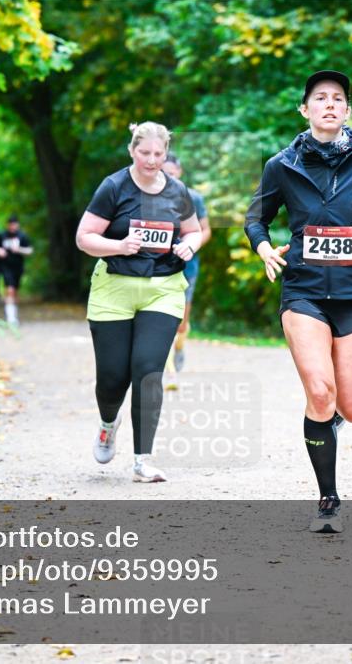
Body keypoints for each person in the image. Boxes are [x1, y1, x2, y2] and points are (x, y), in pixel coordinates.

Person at [245, 71, 352, 533]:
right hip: (303, 292)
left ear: (347, 111)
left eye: (338, 98)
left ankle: (330, 422)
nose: (328, 104)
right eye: (319, 98)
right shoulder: (282, 165)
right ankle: (328, 497)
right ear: (304, 109)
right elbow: (256, 219)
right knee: (320, 393)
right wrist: (263, 247)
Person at [76, 122, 203, 483]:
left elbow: (193, 230)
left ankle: (142, 460)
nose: (151, 160)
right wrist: (119, 245)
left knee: (148, 370)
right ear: (132, 151)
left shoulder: (178, 191)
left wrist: (188, 245)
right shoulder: (114, 187)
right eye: (144, 153)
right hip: (114, 287)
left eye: (158, 154)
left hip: (163, 288)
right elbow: (84, 237)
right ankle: (107, 422)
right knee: (113, 378)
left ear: (166, 154)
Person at [161, 155, 211, 373]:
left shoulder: (193, 198)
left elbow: (205, 230)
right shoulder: (150, 197)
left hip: (187, 266)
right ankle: (164, 361)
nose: (168, 177)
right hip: (158, 265)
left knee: (182, 317)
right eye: (165, 173)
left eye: (172, 173)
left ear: (179, 173)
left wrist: (191, 245)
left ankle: (179, 345)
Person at [0, 214, 34, 326]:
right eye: (10, 225)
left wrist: (19, 249)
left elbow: (30, 250)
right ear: (8, 225)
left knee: (15, 291)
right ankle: (10, 318)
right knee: (9, 289)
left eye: (14, 224)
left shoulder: (22, 236)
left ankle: (13, 315)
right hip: (5, 266)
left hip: (17, 267)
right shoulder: (2, 235)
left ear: (17, 225)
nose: (12, 227)